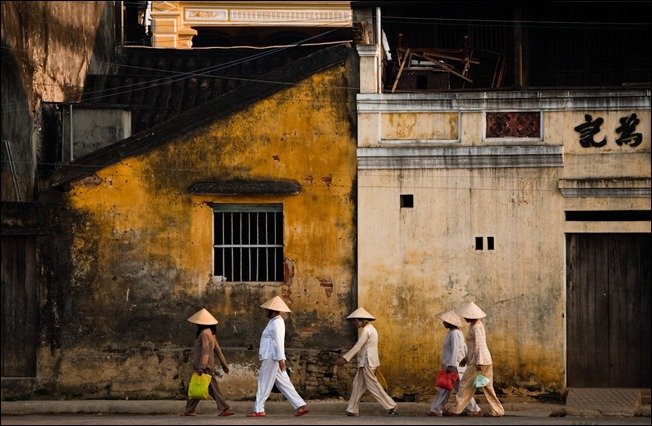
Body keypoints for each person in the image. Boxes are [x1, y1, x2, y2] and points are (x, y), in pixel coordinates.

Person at [248, 296, 310, 418]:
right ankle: (299, 405)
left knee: (264, 382)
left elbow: (278, 342)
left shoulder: (277, 323)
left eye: (267, 310)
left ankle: (259, 409)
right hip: (272, 356)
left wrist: (281, 359)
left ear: (273, 310)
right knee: (283, 382)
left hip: (272, 357)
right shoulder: (274, 321)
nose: (266, 311)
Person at [333, 307, 399, 417]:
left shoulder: (366, 330)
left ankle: (391, 405)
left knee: (373, 385)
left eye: (356, 321)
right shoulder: (370, 329)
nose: (355, 323)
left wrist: (345, 359)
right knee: (357, 384)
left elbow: (358, 346)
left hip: (367, 361)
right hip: (366, 361)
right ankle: (352, 409)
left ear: (361, 320)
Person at [444, 301, 505, 417]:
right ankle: (497, 411)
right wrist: (466, 358)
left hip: (478, 361)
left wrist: (478, 362)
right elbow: (474, 346)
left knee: (464, 384)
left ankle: (456, 410)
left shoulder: (476, 327)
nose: (465, 318)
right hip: (482, 360)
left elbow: (479, 345)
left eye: (467, 316)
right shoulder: (475, 325)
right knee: (487, 387)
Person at [180, 308, 234, 417]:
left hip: (204, 366)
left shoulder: (204, 334)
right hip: (207, 365)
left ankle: (224, 408)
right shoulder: (211, 334)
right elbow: (218, 351)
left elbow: (205, 351)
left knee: (208, 387)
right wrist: (224, 365)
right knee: (199, 386)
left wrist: (201, 366)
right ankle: (190, 410)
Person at [427, 309, 481, 417]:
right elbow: (464, 347)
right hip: (454, 366)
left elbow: (456, 349)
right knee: (454, 389)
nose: (443, 323)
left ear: (450, 322)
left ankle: (437, 409)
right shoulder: (454, 332)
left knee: (457, 389)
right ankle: (437, 409)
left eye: (445, 321)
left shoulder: (455, 333)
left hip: (454, 366)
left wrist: (451, 365)